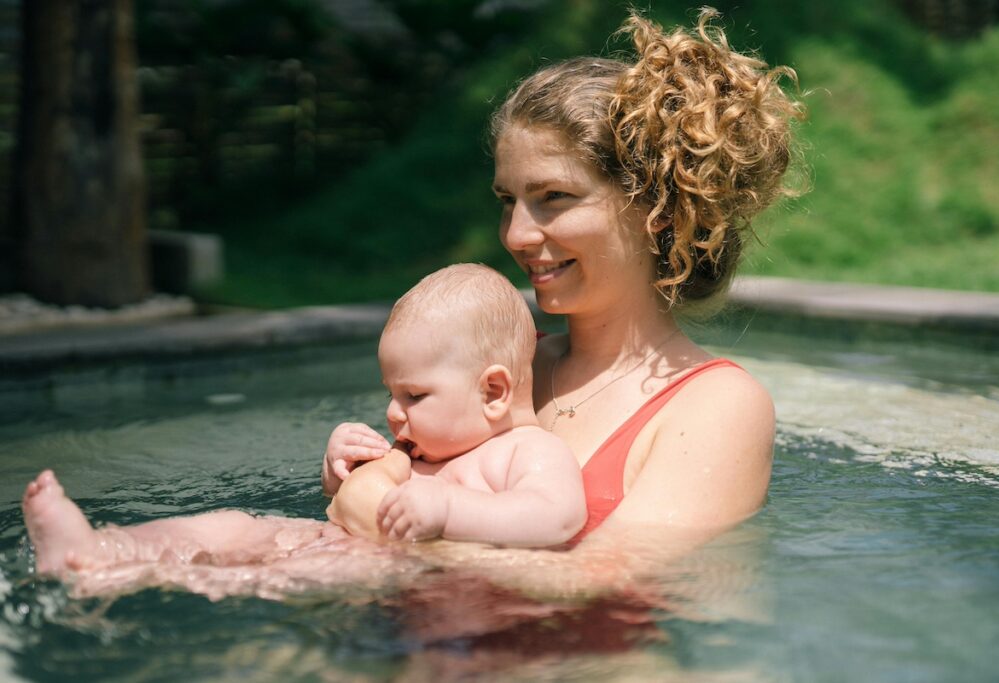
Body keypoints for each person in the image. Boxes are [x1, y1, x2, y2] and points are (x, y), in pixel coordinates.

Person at [324, 9, 802, 554]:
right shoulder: (500, 366)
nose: (516, 234)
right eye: (508, 201)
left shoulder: (719, 406)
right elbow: (388, 485)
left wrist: (379, 522)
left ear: (658, 208)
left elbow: (604, 583)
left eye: (554, 198)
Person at [21, 264, 587, 578]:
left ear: (493, 391)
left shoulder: (526, 451)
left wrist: (448, 508)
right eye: (390, 393)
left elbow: (556, 517)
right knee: (229, 525)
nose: (394, 412)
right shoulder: (421, 447)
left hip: (392, 569)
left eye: (413, 395)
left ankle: (127, 572)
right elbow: (345, 502)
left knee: (266, 574)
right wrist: (337, 467)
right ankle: (99, 548)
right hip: (327, 536)